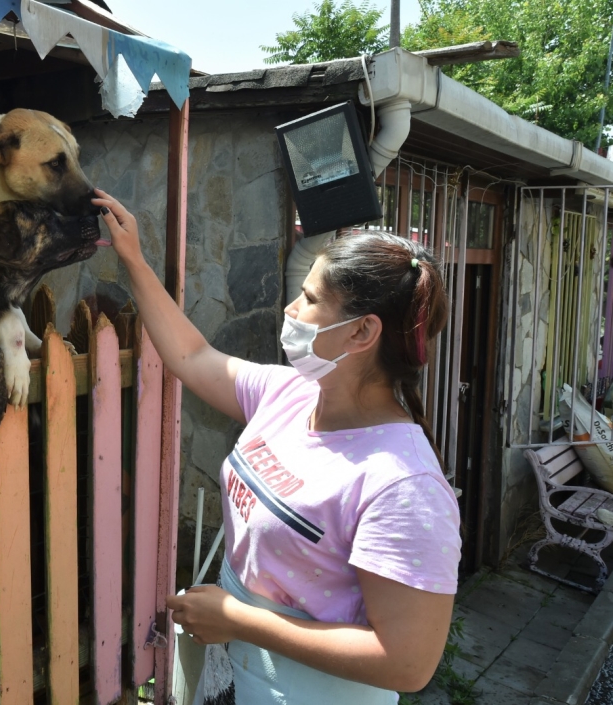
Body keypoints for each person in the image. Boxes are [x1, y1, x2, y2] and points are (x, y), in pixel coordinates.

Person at [92, 188, 461, 704]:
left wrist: (239, 620)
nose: (290, 308)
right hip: (232, 679)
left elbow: (407, 661)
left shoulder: (402, 483)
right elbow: (193, 354)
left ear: (362, 332)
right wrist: (133, 258)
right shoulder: (288, 394)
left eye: (309, 299)